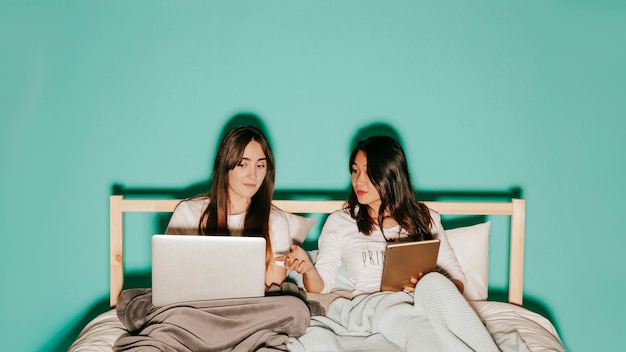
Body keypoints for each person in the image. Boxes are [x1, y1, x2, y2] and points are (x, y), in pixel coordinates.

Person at [280, 135, 466, 295]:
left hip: (419, 307)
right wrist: (308, 269)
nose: (359, 181)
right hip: (371, 311)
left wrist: (429, 286)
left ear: (391, 175)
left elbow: (457, 281)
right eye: (355, 171)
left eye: (369, 172)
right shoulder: (340, 222)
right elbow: (321, 287)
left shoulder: (426, 219)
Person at [165, 125, 291, 288]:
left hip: (252, 307)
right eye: (242, 164)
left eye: (260, 166)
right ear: (225, 167)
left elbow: (273, 288)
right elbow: (169, 275)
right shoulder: (188, 212)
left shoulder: (275, 221)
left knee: (292, 306)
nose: (253, 175)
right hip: (196, 304)